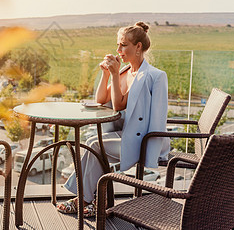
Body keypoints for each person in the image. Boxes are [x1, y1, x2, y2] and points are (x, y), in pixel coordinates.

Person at [56, 21, 169, 217]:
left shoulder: (155, 76)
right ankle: (96, 198)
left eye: (123, 45)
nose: (118, 50)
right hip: (125, 134)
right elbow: (101, 99)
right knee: (92, 141)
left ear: (138, 47)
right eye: (118, 44)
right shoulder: (126, 72)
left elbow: (120, 105)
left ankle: (85, 198)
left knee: (96, 146)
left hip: (143, 141)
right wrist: (106, 74)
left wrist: (115, 74)